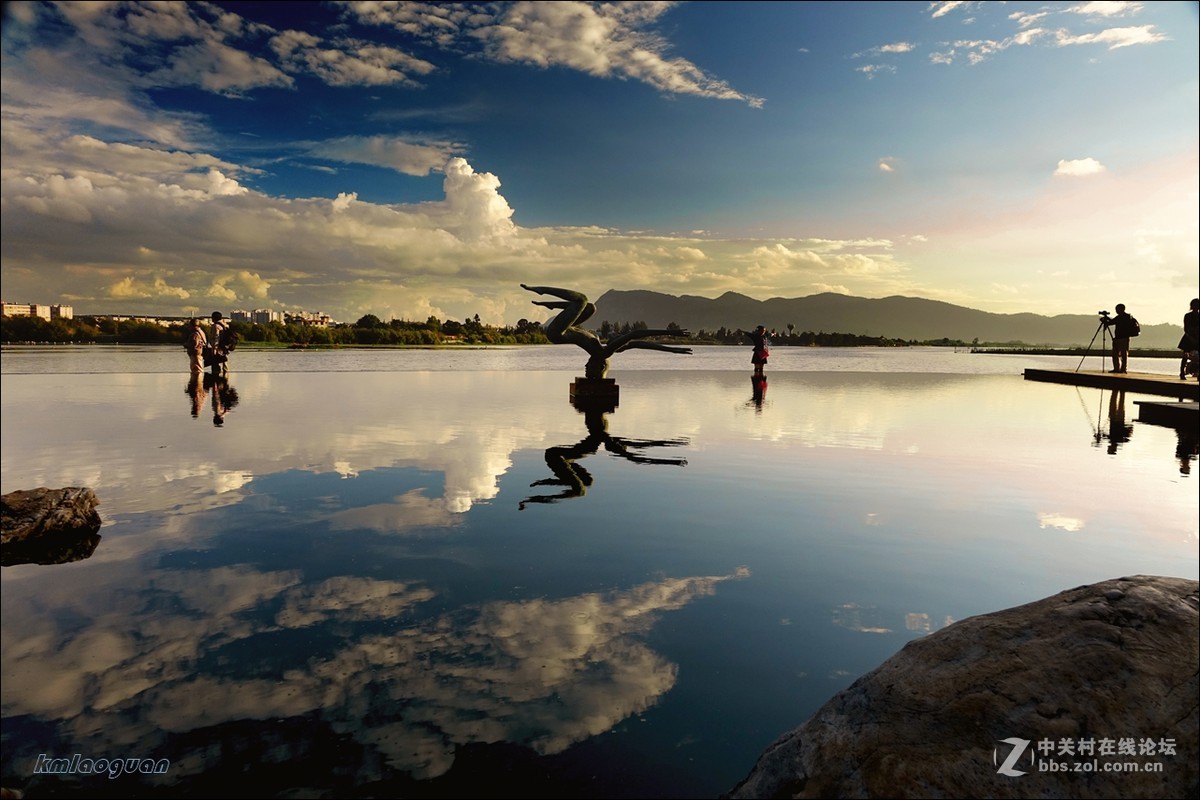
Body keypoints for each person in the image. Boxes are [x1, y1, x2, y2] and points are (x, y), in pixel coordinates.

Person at [1103, 304, 1136, 374]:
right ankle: (1120, 369)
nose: (1116, 311)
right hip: (1121, 338)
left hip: (1122, 338)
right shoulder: (1127, 317)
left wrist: (1106, 320)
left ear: (1121, 309)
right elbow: (1113, 321)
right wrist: (1108, 320)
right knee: (1119, 354)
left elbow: (1112, 322)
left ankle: (1119, 369)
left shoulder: (1122, 317)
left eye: (1117, 309)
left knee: (1121, 354)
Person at [1179, 298, 1199, 380]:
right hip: (1188, 337)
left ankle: (1198, 373)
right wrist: (1191, 337)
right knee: (1185, 356)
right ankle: (1182, 373)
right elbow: (1186, 329)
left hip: (1197, 337)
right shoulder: (1187, 316)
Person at [209, 311, 230, 377]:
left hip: (218, 348)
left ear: (214, 318)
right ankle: (226, 380)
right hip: (225, 347)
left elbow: (216, 338)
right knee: (225, 364)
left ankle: (218, 381)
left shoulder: (216, 326)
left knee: (217, 365)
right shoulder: (226, 325)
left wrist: (214, 349)